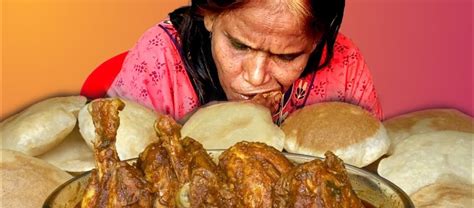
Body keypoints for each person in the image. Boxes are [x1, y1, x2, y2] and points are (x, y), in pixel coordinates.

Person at [107, 0, 383, 125]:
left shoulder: (345, 67)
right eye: (239, 45)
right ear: (209, 15)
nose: (255, 77)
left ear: (317, 40)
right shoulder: (158, 60)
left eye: (287, 56)